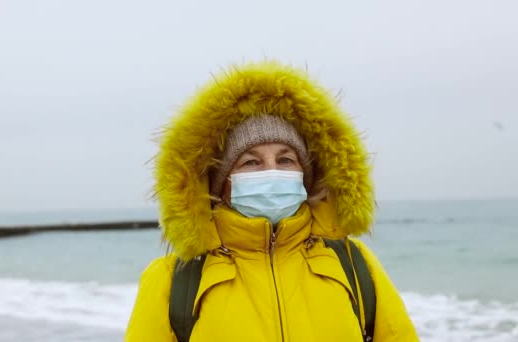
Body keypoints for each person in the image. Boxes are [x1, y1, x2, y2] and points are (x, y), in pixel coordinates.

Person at [125, 61, 418, 341]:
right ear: (221, 182)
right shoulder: (173, 281)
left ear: (306, 175)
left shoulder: (353, 264)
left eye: (286, 159)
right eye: (251, 162)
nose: (272, 171)